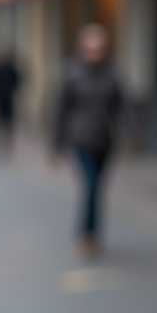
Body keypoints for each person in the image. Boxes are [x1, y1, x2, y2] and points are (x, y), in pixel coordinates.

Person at [53, 24, 124, 258]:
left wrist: (133, 130)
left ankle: (93, 233)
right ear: (82, 49)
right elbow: (61, 109)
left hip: (105, 140)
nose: (95, 54)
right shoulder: (72, 72)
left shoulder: (112, 73)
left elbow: (122, 105)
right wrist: (57, 143)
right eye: (90, 49)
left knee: (97, 189)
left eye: (99, 49)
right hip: (80, 139)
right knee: (91, 185)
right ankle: (86, 233)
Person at [0, 48, 21, 159]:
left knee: (8, 123)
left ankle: (7, 143)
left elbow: (17, 82)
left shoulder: (12, 69)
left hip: (9, 99)